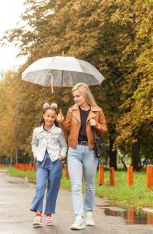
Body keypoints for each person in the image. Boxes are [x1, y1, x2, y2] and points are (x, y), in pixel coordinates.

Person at [56, 83, 107, 230]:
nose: (75, 99)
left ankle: (89, 213)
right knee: (76, 185)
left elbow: (104, 128)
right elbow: (67, 130)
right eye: (74, 96)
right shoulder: (71, 111)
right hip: (74, 151)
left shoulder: (97, 111)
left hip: (90, 150)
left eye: (78, 96)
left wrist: (95, 124)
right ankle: (79, 217)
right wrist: (60, 122)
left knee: (90, 185)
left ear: (85, 95)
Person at [30, 102, 67, 228]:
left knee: (52, 189)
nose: (50, 119)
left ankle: (49, 215)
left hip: (55, 162)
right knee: (40, 187)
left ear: (55, 117)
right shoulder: (36, 131)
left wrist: (62, 156)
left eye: (52, 116)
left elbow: (64, 146)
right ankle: (38, 215)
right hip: (41, 162)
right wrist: (35, 154)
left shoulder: (59, 131)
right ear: (43, 116)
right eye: (48, 116)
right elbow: (34, 144)